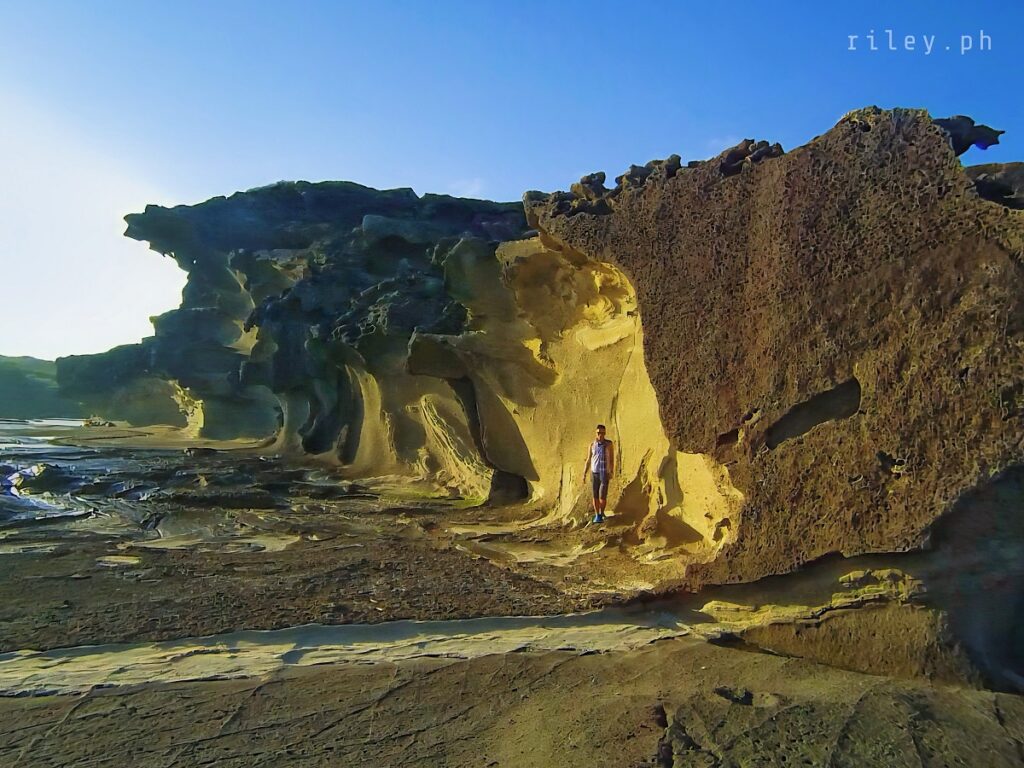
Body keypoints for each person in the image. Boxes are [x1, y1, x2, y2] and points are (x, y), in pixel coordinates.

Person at [582, 424, 614, 524]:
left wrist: (611, 471)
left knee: (602, 496)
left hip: (604, 472)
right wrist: (584, 473)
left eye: (603, 433)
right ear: (596, 433)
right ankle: (597, 515)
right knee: (595, 495)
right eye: (599, 432)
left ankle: (602, 512)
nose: (600, 435)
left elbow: (612, 458)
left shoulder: (608, 444)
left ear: (605, 433)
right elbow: (588, 459)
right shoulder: (592, 445)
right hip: (594, 472)